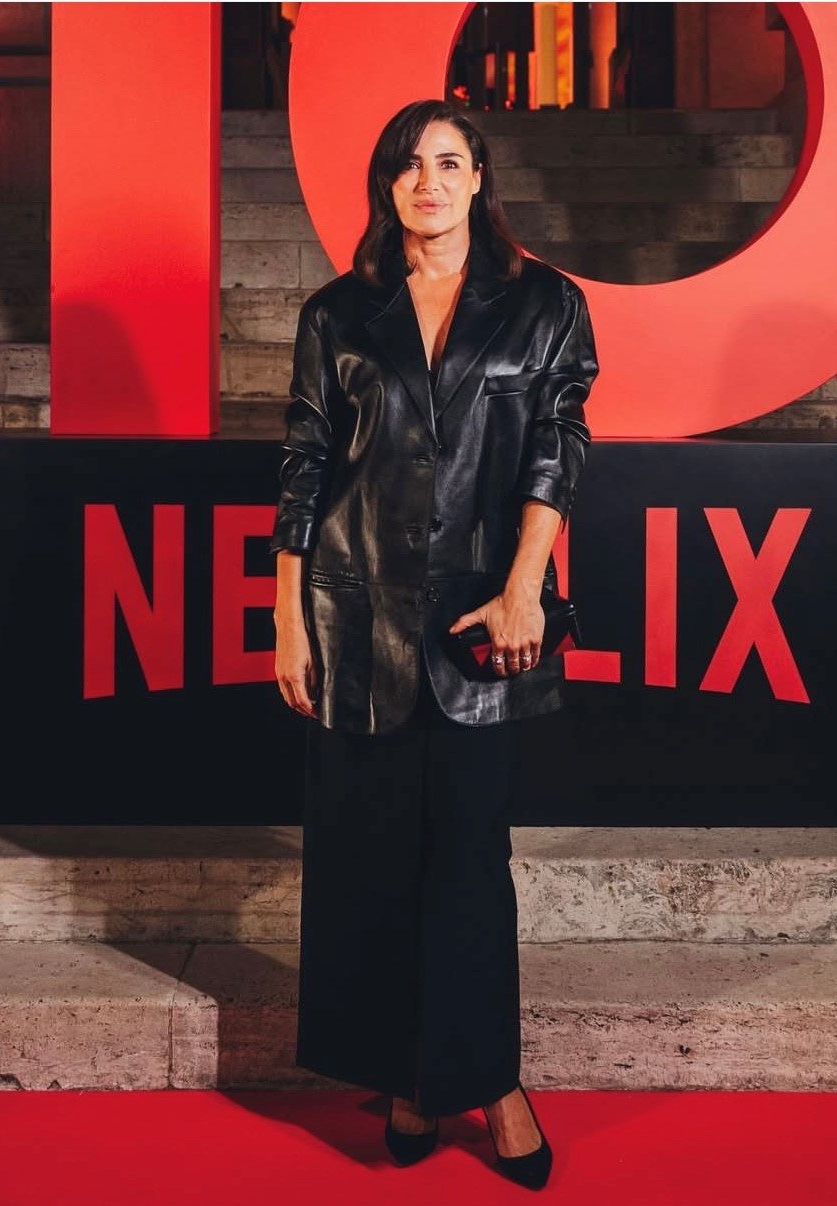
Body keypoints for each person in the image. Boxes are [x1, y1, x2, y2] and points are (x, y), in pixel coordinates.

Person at [268, 97, 598, 1189]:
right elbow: (306, 463)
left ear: (479, 177)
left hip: (478, 624)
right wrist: (289, 617)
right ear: (386, 184)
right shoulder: (337, 313)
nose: (429, 181)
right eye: (409, 165)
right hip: (353, 617)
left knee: (467, 864)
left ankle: (494, 1084)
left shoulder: (545, 304)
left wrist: (524, 592)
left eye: (449, 162)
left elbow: (558, 446)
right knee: (370, 861)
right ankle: (406, 1077)